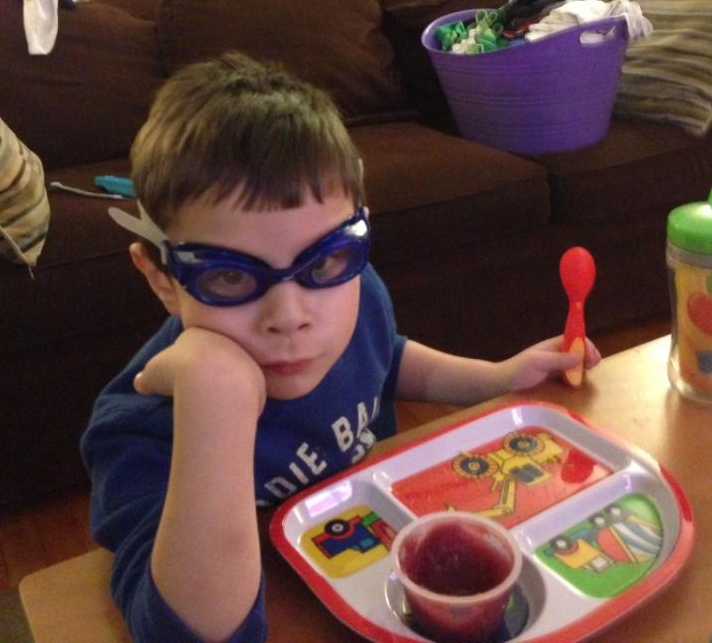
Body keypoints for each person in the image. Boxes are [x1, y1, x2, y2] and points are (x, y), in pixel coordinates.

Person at [80, 51, 601, 643]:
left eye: (325, 260)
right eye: (227, 275)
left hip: (380, 574)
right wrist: (217, 394)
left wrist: (498, 378)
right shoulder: (139, 432)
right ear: (161, 278)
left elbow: (387, 358)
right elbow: (187, 634)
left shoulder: (355, 295)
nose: (291, 316)